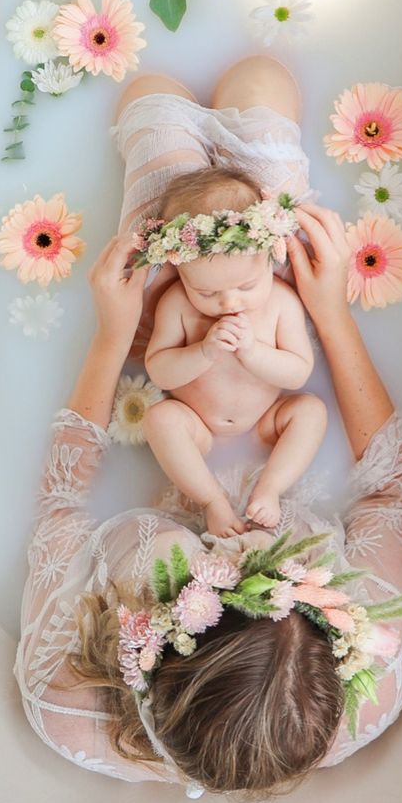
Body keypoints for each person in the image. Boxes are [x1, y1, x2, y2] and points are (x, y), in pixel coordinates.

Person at [14, 57, 402, 798]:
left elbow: (58, 506)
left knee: (151, 101)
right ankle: (242, 125)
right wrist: (328, 310)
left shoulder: (66, 695)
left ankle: (167, 123)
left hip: (172, 327)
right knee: (263, 83)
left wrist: (113, 337)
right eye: (264, 555)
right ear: (329, 618)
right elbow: (390, 487)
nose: (228, 537)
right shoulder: (378, 660)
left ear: (139, 637)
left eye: (195, 565)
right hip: (220, 313)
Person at [139, 165, 327, 537]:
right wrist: (203, 352)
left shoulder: (281, 302)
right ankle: (212, 501)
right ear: (181, 271)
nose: (229, 302)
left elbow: (298, 372)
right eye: (206, 293)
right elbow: (159, 371)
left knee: (310, 411)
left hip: (264, 425)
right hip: (199, 429)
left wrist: (253, 352)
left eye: (247, 285)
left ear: (269, 257)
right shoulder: (177, 304)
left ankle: (270, 489)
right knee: (159, 419)